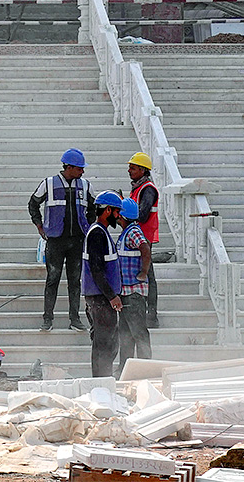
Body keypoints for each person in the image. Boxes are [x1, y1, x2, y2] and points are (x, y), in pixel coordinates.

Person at [28, 148, 93, 331]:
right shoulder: (48, 183)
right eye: (80, 168)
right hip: (56, 240)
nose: (82, 172)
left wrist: (88, 227)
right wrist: (39, 226)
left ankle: (75, 319)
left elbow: (94, 208)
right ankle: (47, 319)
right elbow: (33, 203)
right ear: (69, 167)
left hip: (77, 241)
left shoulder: (86, 185)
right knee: (53, 279)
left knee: (75, 281)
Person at [82, 191, 124, 379]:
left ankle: (102, 380)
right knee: (103, 344)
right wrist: (112, 296)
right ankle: (101, 382)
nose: (118, 216)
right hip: (99, 299)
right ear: (107, 210)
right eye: (116, 212)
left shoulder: (101, 232)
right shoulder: (97, 234)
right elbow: (97, 270)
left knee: (108, 342)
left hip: (101, 297)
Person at [116, 197, 152, 372]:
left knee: (138, 333)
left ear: (122, 216)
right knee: (126, 335)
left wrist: (144, 273)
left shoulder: (133, 232)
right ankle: (126, 368)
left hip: (134, 293)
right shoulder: (126, 233)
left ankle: (146, 368)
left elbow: (145, 249)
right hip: (126, 292)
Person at [127, 152, 161, 326]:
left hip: (143, 238)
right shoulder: (138, 187)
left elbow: (142, 214)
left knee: (148, 274)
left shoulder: (147, 189)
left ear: (142, 169)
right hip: (137, 236)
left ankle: (152, 315)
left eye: (132, 168)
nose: (129, 170)